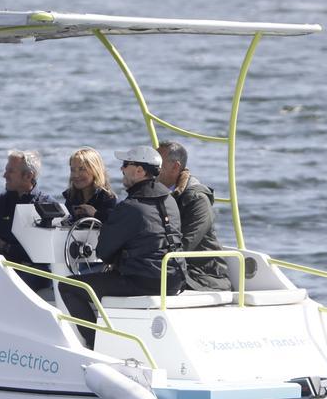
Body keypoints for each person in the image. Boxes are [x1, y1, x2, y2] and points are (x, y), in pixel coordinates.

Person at [58, 145, 184, 349]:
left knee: (69, 286)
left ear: (139, 171)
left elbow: (103, 252)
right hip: (174, 278)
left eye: (125, 165)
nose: (121, 170)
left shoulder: (130, 207)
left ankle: (95, 344)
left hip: (144, 280)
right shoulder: (170, 201)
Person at [158, 141, 232, 292]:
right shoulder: (159, 194)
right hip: (180, 269)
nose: (153, 168)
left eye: (159, 164)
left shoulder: (197, 199)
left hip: (206, 276)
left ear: (175, 167)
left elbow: (185, 244)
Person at [0, 150, 51, 289]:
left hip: (36, 273)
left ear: (29, 176)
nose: (4, 175)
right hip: (2, 269)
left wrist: (8, 247)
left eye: (10, 171)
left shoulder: (47, 205)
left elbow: (43, 253)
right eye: (6, 170)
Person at [62, 147, 117, 222]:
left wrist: (95, 214)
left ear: (95, 170)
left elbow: (115, 224)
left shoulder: (108, 199)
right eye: (72, 170)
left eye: (82, 169)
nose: (76, 175)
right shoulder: (71, 196)